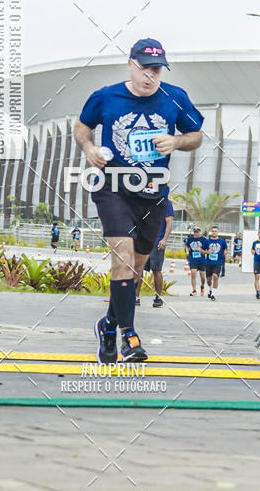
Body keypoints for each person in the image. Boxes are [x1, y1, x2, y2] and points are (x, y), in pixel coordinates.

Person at [74, 38, 203, 364]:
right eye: (144, 68)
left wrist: (175, 141)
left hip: (153, 194)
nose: (150, 76)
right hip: (113, 187)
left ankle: (107, 326)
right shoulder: (106, 97)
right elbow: (82, 125)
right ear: (131, 64)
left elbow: (196, 134)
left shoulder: (175, 97)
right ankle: (129, 337)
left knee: (136, 271)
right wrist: (89, 150)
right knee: (124, 255)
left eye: (156, 70)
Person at [136, 198, 174, 307]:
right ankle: (136, 297)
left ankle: (158, 297)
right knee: (138, 269)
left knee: (156, 270)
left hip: (157, 242)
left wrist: (164, 239)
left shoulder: (166, 203)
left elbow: (169, 222)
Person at [203, 225, 228, 301]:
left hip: (218, 262)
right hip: (209, 262)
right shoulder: (207, 241)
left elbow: (226, 249)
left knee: (215, 276)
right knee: (208, 280)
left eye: (215, 231)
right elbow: (202, 251)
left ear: (218, 232)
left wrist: (225, 252)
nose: (214, 232)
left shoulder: (222, 241)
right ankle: (210, 289)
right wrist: (207, 252)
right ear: (211, 232)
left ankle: (213, 294)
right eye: (213, 231)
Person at [184, 225, 207, 296]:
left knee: (202, 276)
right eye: (194, 232)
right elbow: (187, 246)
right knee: (193, 273)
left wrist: (202, 251)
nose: (195, 233)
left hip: (202, 260)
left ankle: (202, 286)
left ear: (199, 232)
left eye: (197, 232)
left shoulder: (203, 239)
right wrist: (187, 251)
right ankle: (194, 290)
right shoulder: (190, 239)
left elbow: (207, 248)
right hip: (193, 259)